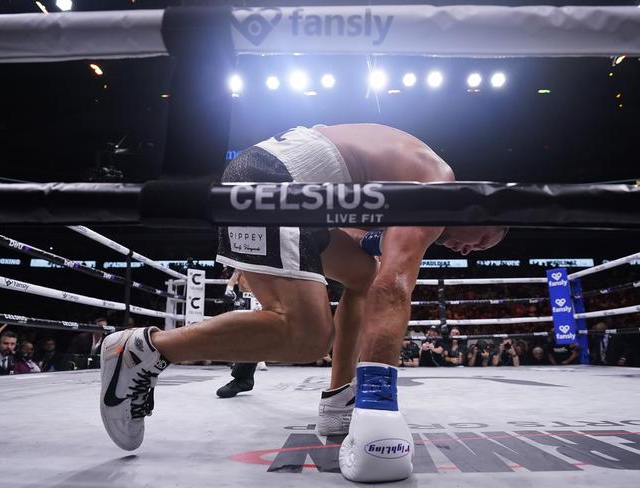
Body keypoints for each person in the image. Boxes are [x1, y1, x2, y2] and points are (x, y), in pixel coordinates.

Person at [99, 123, 506, 482]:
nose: (469, 249)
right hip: (275, 182)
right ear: (479, 204)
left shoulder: (407, 174)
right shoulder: (437, 184)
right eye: (483, 238)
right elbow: (394, 288)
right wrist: (379, 400)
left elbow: (361, 249)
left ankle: (340, 396)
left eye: (477, 251)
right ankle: (144, 349)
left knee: (361, 275)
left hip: (294, 189)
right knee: (307, 337)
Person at [216, 268, 268, 398]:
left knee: (258, 329)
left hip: (259, 297)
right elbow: (235, 275)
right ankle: (241, 363)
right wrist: (229, 288)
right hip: (244, 297)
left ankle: (259, 359)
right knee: (241, 330)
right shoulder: (242, 263)